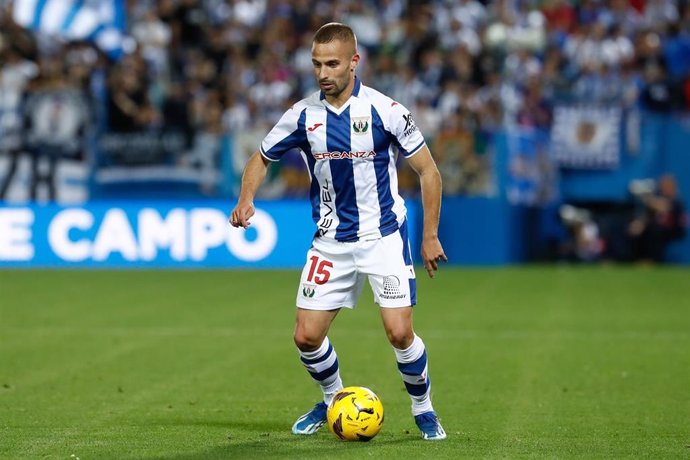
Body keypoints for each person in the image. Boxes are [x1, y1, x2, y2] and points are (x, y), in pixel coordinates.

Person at [229, 23, 447, 440]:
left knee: (400, 332)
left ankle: (424, 408)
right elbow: (260, 158)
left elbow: (428, 172)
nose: (323, 72)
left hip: (382, 235)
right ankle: (332, 398)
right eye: (316, 64)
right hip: (330, 242)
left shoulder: (387, 111)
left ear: (353, 62)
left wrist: (430, 235)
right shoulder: (302, 114)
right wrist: (246, 198)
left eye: (332, 63)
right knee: (306, 337)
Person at [628, 174, 687, 263]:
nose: (664, 188)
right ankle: (635, 259)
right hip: (656, 229)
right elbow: (648, 216)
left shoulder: (677, 201)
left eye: (667, 185)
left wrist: (646, 197)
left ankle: (652, 260)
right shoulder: (659, 197)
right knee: (637, 229)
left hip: (673, 230)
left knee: (655, 230)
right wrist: (639, 224)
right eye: (663, 185)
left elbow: (662, 206)